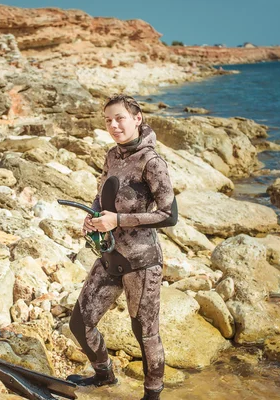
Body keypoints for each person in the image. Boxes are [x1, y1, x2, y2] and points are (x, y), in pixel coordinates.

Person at [66, 94, 178, 400]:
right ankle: (104, 375)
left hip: (142, 262)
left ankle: (152, 395)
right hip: (110, 255)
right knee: (80, 323)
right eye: (108, 120)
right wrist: (92, 217)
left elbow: (170, 215)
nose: (114, 125)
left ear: (137, 118)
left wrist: (118, 220)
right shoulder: (112, 156)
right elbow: (102, 195)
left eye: (120, 118)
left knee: (145, 334)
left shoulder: (152, 162)